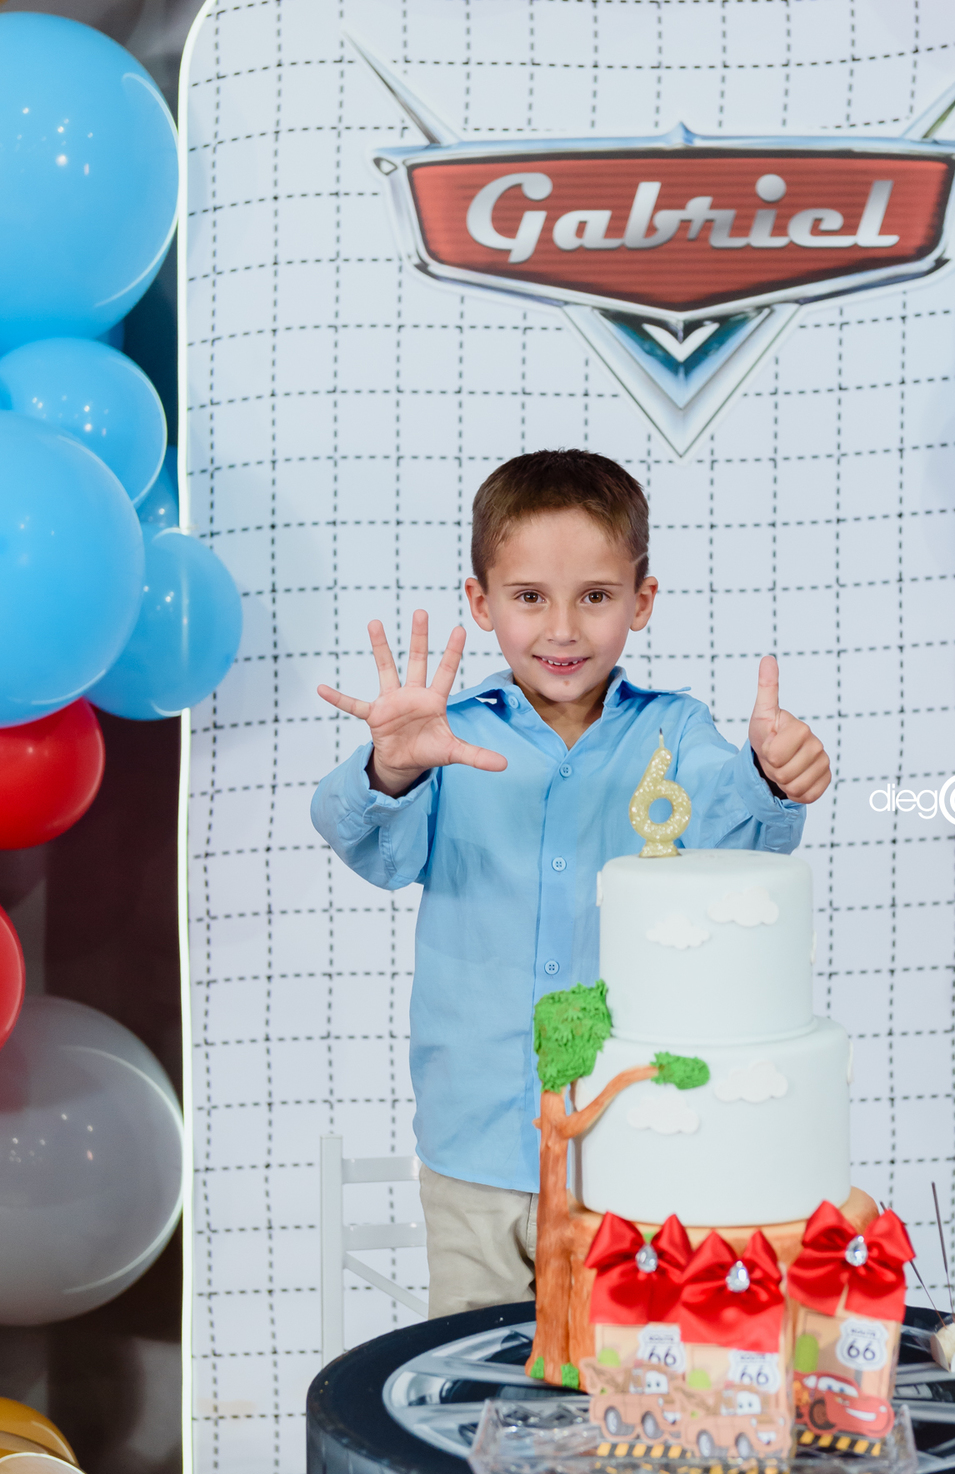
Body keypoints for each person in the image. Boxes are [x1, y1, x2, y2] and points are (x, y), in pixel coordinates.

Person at [311, 449, 830, 1317]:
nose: (562, 629)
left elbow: (743, 831)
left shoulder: (673, 731)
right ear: (481, 603)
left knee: (620, 1385)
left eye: (594, 596)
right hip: (474, 1143)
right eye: (528, 598)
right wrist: (389, 768)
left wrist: (775, 775)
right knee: (473, 1385)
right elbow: (365, 843)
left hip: (628, 1152)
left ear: (642, 600)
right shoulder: (445, 735)